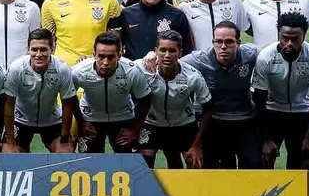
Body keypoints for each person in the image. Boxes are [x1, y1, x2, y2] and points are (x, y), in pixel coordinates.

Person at [178, 21, 261, 169]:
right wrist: (150, 56)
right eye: (219, 42)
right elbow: (171, 63)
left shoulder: (250, 54)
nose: (223, 47)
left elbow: (272, 51)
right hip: (213, 122)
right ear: (213, 42)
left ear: (238, 43)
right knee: (217, 169)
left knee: (254, 165)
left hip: (245, 119)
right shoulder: (199, 60)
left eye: (229, 42)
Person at [251, 12, 309, 169]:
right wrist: (265, 139)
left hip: (303, 113)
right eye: (285, 38)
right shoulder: (265, 57)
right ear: (279, 35)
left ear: (304, 37)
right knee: (262, 161)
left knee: (303, 161)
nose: (289, 43)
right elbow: (259, 100)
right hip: (272, 112)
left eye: (295, 39)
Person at [66, 32, 152, 153]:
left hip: (123, 117)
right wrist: (81, 122)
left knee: (128, 163)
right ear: (94, 55)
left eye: (111, 57)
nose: (105, 62)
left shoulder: (132, 71)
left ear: (119, 55)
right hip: (90, 118)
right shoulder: (78, 71)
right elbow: (69, 97)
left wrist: (134, 130)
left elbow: (145, 99)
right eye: (101, 56)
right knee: (89, 163)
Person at [138, 31, 212, 169]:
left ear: (180, 53)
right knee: (143, 166)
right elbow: (121, 67)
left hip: (183, 125)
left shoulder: (193, 76)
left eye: (172, 51)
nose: (167, 55)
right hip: (151, 124)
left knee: (195, 163)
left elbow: (208, 108)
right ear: (155, 51)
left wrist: (197, 145)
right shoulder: (142, 69)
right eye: (163, 50)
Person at [1, 29, 77, 153]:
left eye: (43, 49)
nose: (38, 54)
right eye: (34, 49)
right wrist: (10, 142)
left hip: (52, 120)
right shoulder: (16, 68)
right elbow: (8, 105)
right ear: (28, 49)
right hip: (20, 120)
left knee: (65, 153)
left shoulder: (62, 69)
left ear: (52, 49)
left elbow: (67, 105)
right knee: (10, 154)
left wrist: (64, 139)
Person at [116, 0, 192, 60]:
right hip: (135, 72)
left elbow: (187, 52)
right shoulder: (126, 14)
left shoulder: (177, 15)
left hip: (167, 73)